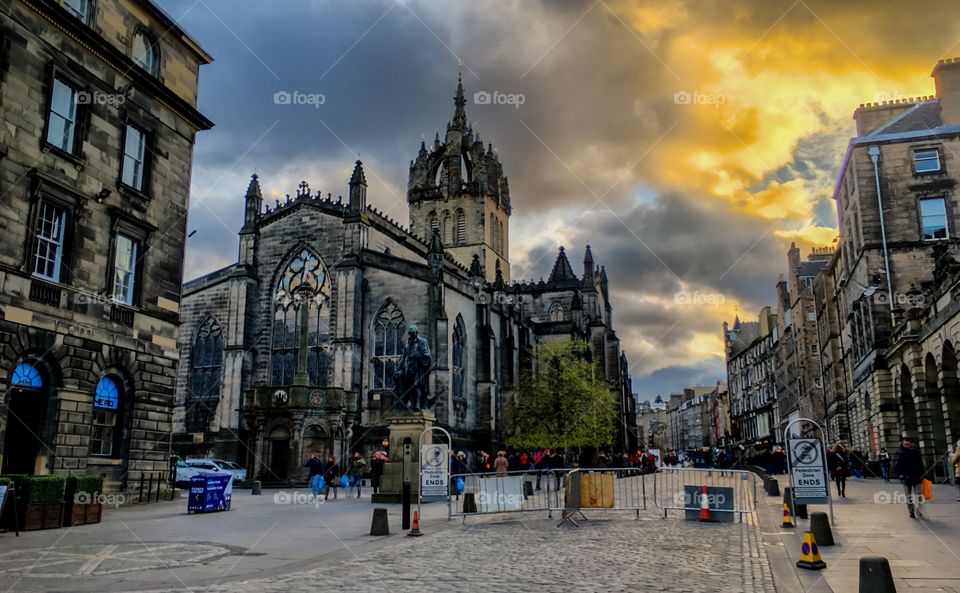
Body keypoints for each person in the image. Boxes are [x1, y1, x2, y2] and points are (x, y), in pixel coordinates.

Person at [895, 436, 926, 518]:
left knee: (919, 495)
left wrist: (923, 474)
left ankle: (919, 510)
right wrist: (900, 475)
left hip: (917, 477)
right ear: (902, 443)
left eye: (908, 444)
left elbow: (920, 464)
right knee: (908, 496)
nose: (907, 446)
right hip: (905, 478)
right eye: (905, 444)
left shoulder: (916, 452)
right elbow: (897, 466)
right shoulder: (899, 453)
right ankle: (911, 511)